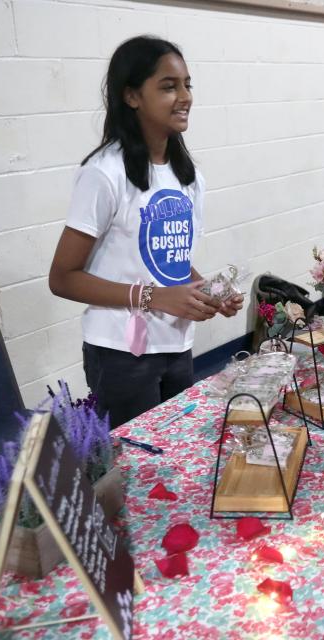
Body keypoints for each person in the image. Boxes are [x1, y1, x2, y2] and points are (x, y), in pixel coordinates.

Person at [49, 36, 243, 427]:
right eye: (169, 86)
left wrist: (208, 292)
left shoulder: (189, 178)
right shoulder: (104, 174)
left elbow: (171, 262)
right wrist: (157, 298)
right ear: (132, 96)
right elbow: (62, 278)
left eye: (188, 84)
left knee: (177, 459)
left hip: (177, 344)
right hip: (121, 354)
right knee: (136, 472)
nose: (185, 96)